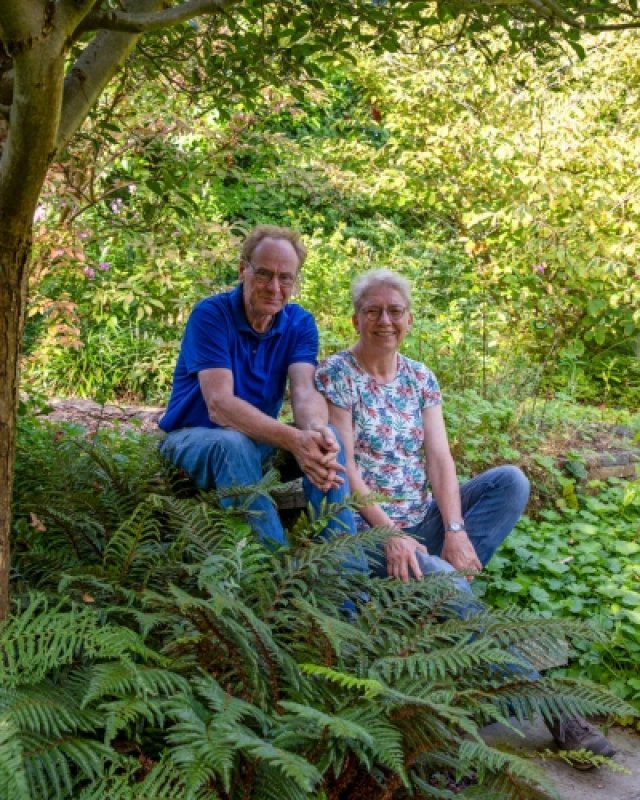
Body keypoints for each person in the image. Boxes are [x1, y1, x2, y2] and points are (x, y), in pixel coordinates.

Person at [315, 267, 615, 763]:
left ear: (409, 319)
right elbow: (344, 466)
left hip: (423, 522)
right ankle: (555, 708)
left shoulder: (419, 377)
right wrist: (389, 534)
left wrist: (453, 530)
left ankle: (442, 592)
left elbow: (439, 458)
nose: (384, 320)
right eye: (373, 311)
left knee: (511, 481)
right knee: (444, 582)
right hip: (367, 532)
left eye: (394, 311)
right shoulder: (338, 376)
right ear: (356, 318)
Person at [158, 224, 352, 546]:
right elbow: (220, 406)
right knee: (233, 445)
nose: (274, 287)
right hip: (192, 440)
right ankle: (275, 578)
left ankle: (344, 575)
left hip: (254, 443)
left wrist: (316, 430)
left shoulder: (299, 323)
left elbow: (304, 390)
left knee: (330, 443)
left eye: (285, 277)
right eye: (264, 274)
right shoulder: (211, 315)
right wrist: (293, 439)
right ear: (243, 270)